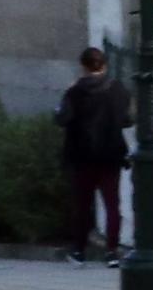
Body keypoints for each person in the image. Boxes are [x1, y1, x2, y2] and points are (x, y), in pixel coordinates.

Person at [54, 46, 132, 266]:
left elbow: (62, 119)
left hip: (81, 156)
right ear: (104, 65)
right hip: (110, 155)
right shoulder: (117, 89)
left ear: (83, 67)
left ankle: (79, 251)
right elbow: (127, 119)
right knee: (112, 205)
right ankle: (112, 251)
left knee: (82, 204)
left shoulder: (74, 92)